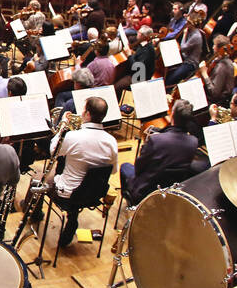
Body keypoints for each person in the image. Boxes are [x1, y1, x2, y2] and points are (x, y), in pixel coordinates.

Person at [45, 96, 117, 247]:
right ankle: (72, 217)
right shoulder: (111, 141)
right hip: (95, 193)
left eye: (84, 110)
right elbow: (113, 171)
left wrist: (64, 125)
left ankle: (35, 214)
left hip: (67, 194)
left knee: (40, 178)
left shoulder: (73, 137)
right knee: (78, 179)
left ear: (88, 114)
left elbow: (53, 150)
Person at [119, 99, 198, 206]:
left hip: (145, 190)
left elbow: (138, 168)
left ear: (172, 114)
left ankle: (132, 203)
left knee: (125, 166)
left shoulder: (157, 140)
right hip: (167, 193)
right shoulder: (193, 142)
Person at [115, 28, 156, 96]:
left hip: (139, 78)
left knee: (117, 87)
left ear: (144, 36)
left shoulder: (147, 51)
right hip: (136, 73)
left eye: (139, 33)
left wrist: (129, 55)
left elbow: (137, 67)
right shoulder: (143, 44)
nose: (137, 34)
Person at [199, 33, 235, 108]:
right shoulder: (221, 60)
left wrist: (204, 74)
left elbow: (214, 93)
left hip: (214, 102)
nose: (212, 47)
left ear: (219, 49)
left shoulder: (222, 67)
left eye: (214, 45)